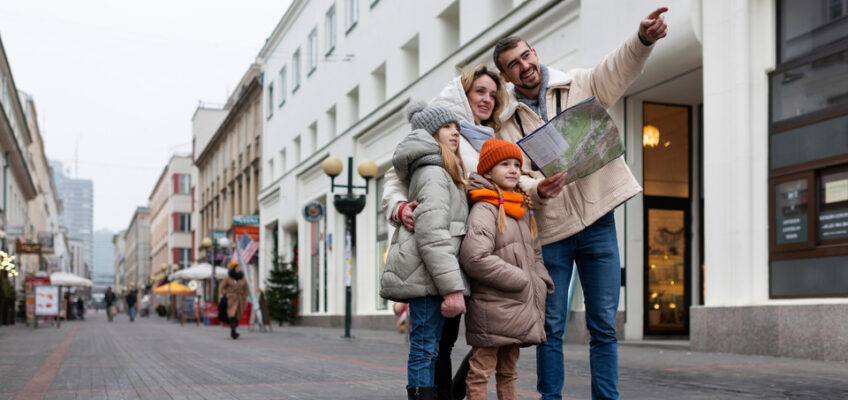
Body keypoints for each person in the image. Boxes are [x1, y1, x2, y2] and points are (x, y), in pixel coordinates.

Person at [491, 8, 669, 400]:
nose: (524, 66)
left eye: (526, 56)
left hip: (598, 222)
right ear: (506, 77)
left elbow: (618, 67)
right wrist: (536, 189)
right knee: (550, 327)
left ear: (536, 54)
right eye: (513, 65)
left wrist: (642, 40)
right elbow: (505, 175)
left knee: (604, 323)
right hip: (551, 232)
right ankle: (550, 398)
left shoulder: (581, 83)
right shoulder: (505, 125)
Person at [381, 65, 508, 400]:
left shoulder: (492, 137)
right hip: (438, 272)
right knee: (430, 346)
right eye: (480, 91)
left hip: (464, 263)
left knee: (448, 342)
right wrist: (398, 207)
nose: (487, 99)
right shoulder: (434, 166)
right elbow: (432, 230)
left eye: (493, 94)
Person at [380, 101, 469, 400]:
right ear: (431, 134)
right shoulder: (433, 171)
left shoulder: (444, 170)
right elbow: (432, 235)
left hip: (432, 278)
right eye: (446, 127)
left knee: (428, 349)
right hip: (429, 280)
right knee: (424, 349)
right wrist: (452, 289)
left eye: (456, 127)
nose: (455, 132)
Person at [459, 139, 554, 400]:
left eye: (517, 165)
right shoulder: (485, 207)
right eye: (505, 164)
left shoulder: (521, 209)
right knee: (480, 370)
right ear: (488, 172)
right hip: (493, 307)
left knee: (509, 372)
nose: (513, 170)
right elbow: (475, 257)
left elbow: (534, 253)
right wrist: (522, 279)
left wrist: (540, 279)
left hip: (517, 306)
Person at [220, 260, 249, 339]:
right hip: (231, 299)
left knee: (237, 315)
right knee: (232, 315)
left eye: (239, 267)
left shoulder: (242, 278)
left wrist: (244, 296)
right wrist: (227, 294)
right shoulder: (228, 278)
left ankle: (233, 329)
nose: (239, 268)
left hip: (240, 299)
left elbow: (246, 289)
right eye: (237, 267)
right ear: (233, 268)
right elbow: (222, 288)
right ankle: (233, 332)